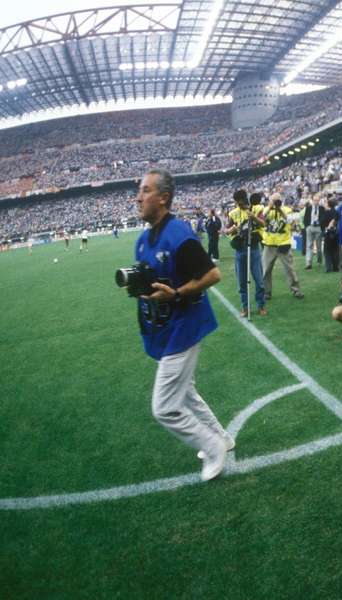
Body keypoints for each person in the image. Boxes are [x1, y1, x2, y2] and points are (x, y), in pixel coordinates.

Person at [129, 168, 232, 482]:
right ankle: (222, 438)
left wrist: (176, 293)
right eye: (139, 190)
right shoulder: (143, 240)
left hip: (185, 326)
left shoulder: (179, 235)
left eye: (146, 190)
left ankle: (213, 447)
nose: (138, 197)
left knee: (164, 407)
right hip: (165, 326)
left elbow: (212, 275)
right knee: (186, 393)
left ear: (164, 198)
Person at [225, 189, 266, 317]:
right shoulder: (233, 213)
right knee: (242, 281)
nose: (239, 205)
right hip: (240, 249)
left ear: (245, 199)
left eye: (241, 202)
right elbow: (226, 230)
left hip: (253, 248)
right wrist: (232, 229)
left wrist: (254, 217)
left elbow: (263, 224)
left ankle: (261, 305)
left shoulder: (257, 209)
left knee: (259, 280)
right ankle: (245, 307)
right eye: (237, 203)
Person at [261, 192, 303, 301]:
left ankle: (296, 290)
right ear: (269, 201)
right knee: (265, 270)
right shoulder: (266, 210)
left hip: (284, 243)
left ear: (281, 200)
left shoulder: (287, 210)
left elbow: (290, 222)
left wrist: (279, 209)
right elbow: (261, 219)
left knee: (289, 269)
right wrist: (270, 208)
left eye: (277, 200)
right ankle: (266, 292)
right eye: (273, 200)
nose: (275, 202)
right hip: (269, 243)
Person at [303, 193, 325, 269]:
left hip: (318, 228)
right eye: (315, 200)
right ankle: (308, 263)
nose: (316, 202)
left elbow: (323, 218)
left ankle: (319, 261)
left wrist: (320, 222)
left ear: (319, 201)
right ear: (312, 200)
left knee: (319, 247)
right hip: (310, 227)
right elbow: (305, 218)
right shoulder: (308, 208)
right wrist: (307, 227)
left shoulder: (322, 208)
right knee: (309, 245)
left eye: (317, 200)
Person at [322, 197, 340, 272]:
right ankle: (336, 267)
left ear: (329, 204)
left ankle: (328, 267)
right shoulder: (337, 212)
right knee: (335, 250)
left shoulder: (326, 212)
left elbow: (322, 222)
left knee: (327, 251)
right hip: (336, 233)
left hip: (328, 232)